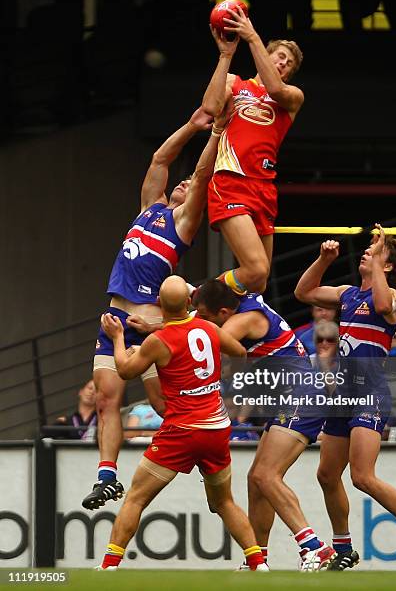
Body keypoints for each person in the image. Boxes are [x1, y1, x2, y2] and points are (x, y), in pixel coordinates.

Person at [83, 106, 229, 510]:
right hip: (114, 318)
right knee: (104, 398)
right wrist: (191, 125)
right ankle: (107, 476)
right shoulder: (149, 210)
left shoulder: (183, 222)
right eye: (176, 184)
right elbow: (159, 160)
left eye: (186, 185)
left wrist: (216, 133)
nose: (180, 183)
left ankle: (206, 459)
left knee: (166, 406)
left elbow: (200, 176)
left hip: (148, 325)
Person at [95, 275, 268, 571]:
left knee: (136, 497)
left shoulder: (157, 341)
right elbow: (240, 352)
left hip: (182, 431)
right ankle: (257, 563)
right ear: (189, 303)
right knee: (224, 503)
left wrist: (118, 337)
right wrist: (220, 376)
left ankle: (109, 565)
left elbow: (123, 370)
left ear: (159, 304)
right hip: (216, 428)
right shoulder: (209, 328)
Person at [294, 224, 396, 571]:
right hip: (341, 394)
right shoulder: (347, 293)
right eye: (367, 250)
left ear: (387, 267)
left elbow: (379, 301)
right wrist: (322, 259)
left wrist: (379, 253)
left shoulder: (391, 298)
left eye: (375, 253)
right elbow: (304, 292)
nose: (366, 252)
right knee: (327, 475)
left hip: (369, 394)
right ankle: (343, 549)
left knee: (362, 476)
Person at [194, 280, 336, 571]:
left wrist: (158, 329)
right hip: (289, 400)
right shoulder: (240, 300)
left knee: (266, 475)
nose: (203, 321)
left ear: (223, 311)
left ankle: (315, 547)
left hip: (301, 397)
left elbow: (205, 338)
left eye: (206, 316)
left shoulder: (246, 319)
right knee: (256, 479)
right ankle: (257, 559)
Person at [202, 6, 304, 294]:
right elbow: (210, 107)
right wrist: (225, 55)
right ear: (267, 55)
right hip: (232, 179)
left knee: (258, 282)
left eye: (290, 63)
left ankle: (215, 317)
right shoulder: (236, 84)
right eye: (280, 56)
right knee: (256, 268)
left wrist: (252, 36)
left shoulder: (292, 97)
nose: (284, 63)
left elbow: (274, 87)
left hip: (265, 187)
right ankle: (196, 295)